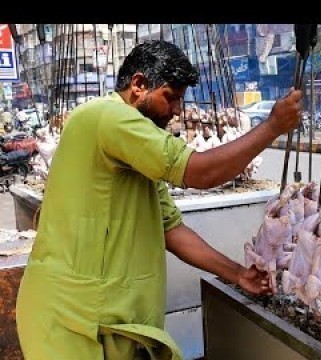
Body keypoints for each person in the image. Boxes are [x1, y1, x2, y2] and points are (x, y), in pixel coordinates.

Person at [15, 40, 302, 360]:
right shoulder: (108, 117)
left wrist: (237, 274)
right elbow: (200, 173)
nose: (177, 109)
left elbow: (171, 229)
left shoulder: (133, 156)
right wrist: (272, 127)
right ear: (138, 85)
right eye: (171, 97)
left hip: (104, 322)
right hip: (75, 325)